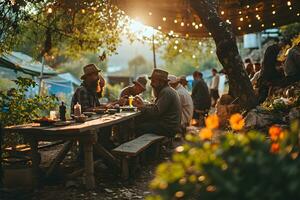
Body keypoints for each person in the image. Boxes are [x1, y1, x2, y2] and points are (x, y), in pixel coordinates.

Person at [133, 69, 181, 137]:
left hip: (168, 127)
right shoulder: (167, 90)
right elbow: (157, 107)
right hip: (170, 125)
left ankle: (149, 147)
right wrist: (143, 105)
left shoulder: (166, 92)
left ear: (161, 82)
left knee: (139, 127)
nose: (151, 84)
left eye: (153, 81)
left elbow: (156, 112)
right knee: (141, 121)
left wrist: (141, 107)